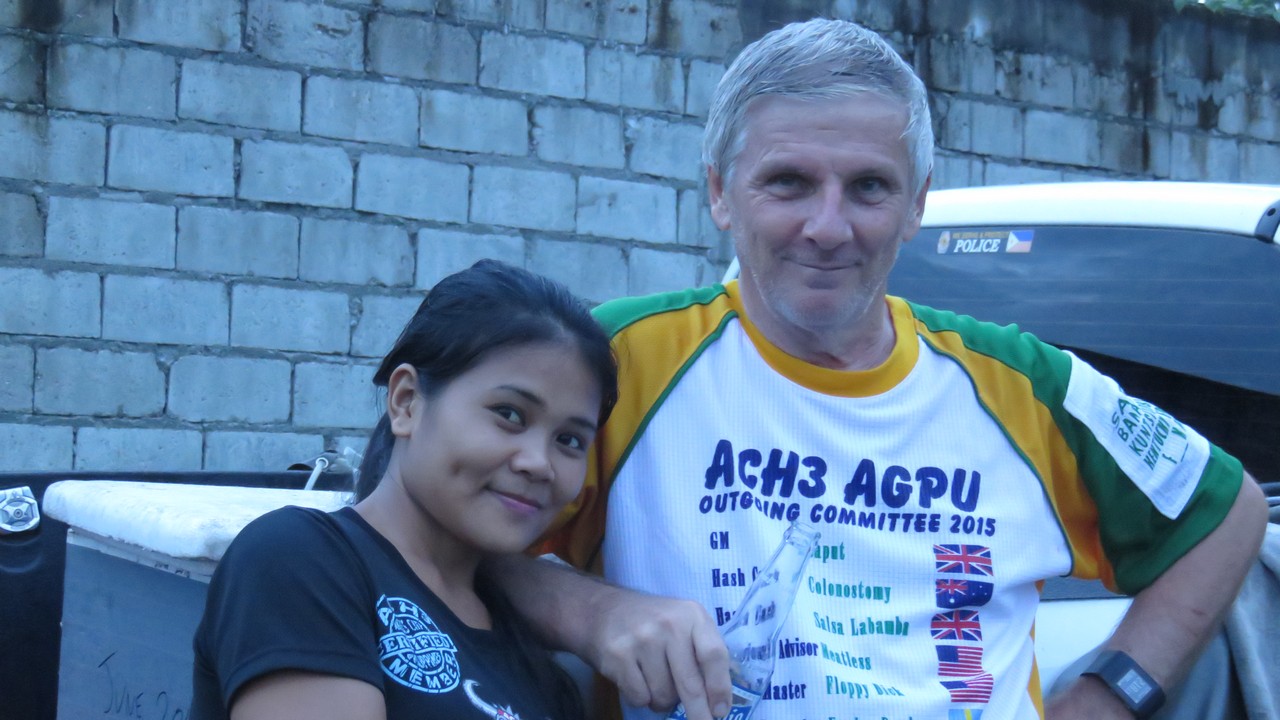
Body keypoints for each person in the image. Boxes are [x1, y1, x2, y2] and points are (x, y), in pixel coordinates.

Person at [484, 17, 1270, 720]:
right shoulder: (620, 359)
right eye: (788, 182)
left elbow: (1226, 509)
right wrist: (593, 615)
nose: (828, 227)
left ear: (916, 203)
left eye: (868, 187)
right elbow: (438, 523)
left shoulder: (1019, 386)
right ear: (722, 193)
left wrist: (1106, 697)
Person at [191, 260, 619, 720]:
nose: (539, 463)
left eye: (569, 440)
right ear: (406, 402)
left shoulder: (530, 651)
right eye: (509, 414)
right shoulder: (299, 560)